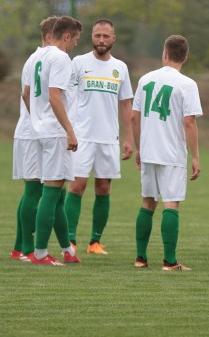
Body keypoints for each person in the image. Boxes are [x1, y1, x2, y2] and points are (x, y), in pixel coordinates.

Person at [132, 35, 202, 271]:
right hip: (171, 152)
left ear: (164, 53)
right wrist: (195, 156)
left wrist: (139, 147)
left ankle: (140, 258)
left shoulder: (145, 79)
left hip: (149, 149)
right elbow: (189, 122)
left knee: (147, 202)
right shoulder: (187, 84)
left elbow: (134, 116)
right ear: (185, 57)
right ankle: (170, 262)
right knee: (171, 204)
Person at [64, 19, 134, 255]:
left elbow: (126, 104)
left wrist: (129, 138)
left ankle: (95, 242)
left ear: (113, 39)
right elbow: (67, 96)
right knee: (76, 186)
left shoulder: (120, 68)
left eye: (106, 36)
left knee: (103, 187)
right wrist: (69, 130)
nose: (101, 40)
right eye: (97, 36)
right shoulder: (78, 63)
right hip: (82, 136)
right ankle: (70, 240)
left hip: (108, 138)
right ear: (91, 37)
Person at [22, 15, 83, 266]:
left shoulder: (36, 57)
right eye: (76, 39)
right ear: (66, 36)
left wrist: (37, 119)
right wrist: (68, 129)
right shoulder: (60, 58)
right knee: (51, 192)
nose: (76, 44)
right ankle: (39, 253)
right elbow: (54, 97)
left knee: (56, 195)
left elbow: (26, 94)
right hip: (55, 132)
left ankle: (67, 249)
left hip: (38, 131)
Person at [10, 16, 59, 262]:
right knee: (33, 191)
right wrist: (39, 121)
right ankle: (29, 249)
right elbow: (27, 94)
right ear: (50, 37)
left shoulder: (34, 58)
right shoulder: (40, 59)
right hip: (33, 132)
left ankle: (19, 246)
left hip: (30, 130)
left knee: (32, 191)